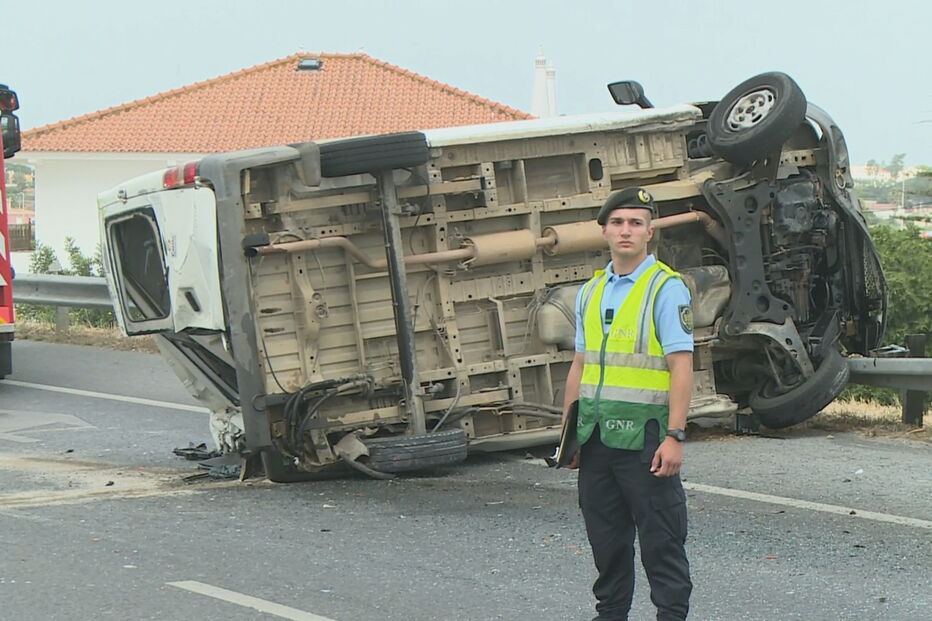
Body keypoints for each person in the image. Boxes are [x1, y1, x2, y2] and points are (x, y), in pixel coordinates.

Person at [563, 187, 694, 620]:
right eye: (617, 222)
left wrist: (675, 436)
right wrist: (570, 437)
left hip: (646, 439)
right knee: (608, 545)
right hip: (597, 440)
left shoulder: (665, 289)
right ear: (604, 230)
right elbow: (580, 366)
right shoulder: (590, 291)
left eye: (635, 223)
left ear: (649, 232)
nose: (625, 230)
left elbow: (681, 366)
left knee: (661, 543)